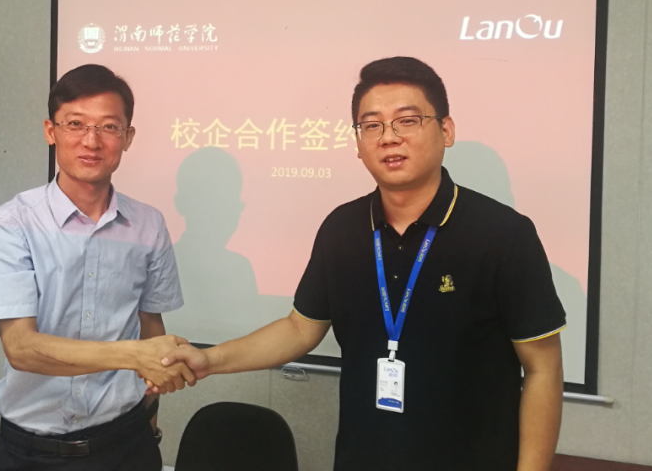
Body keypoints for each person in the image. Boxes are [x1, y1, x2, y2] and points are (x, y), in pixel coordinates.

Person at [162, 57, 567, 471]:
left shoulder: (503, 234)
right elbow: (299, 328)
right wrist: (210, 360)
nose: (388, 137)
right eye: (371, 125)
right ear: (358, 143)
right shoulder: (342, 229)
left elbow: (544, 369)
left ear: (446, 131)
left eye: (407, 121)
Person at [0, 64, 196, 471]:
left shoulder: (148, 225)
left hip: (126, 444)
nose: (92, 141)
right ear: (50, 131)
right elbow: (21, 348)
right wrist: (133, 356)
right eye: (75, 124)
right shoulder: (10, 225)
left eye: (109, 127)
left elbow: (151, 326)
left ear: (128, 137)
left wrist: (151, 422)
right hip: (30, 453)